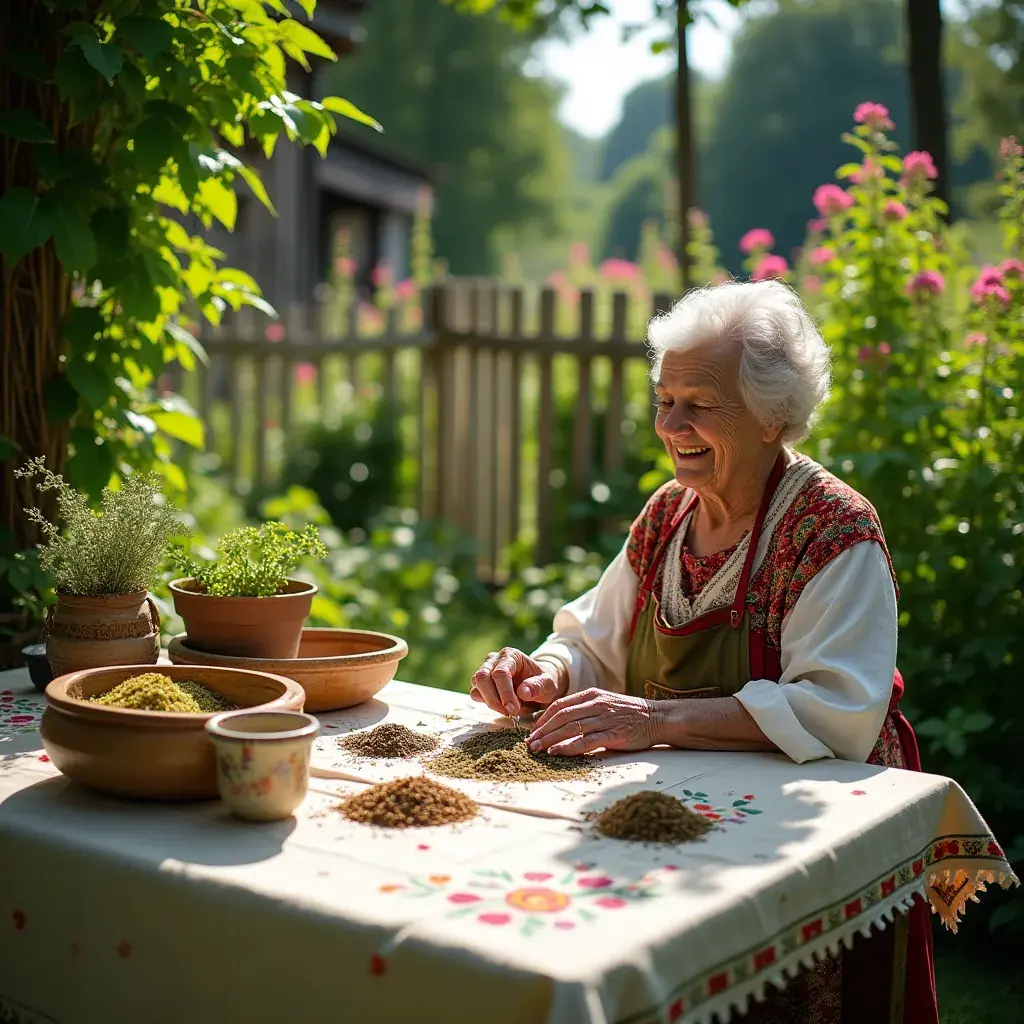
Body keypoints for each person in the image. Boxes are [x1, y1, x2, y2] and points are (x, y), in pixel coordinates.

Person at [470, 280, 938, 1024]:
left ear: (772, 415)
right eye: (665, 400)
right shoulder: (667, 514)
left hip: (812, 819)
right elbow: (596, 638)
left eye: (701, 403)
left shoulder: (832, 531)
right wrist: (547, 672)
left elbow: (836, 711)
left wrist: (652, 719)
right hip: (690, 803)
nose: (672, 425)